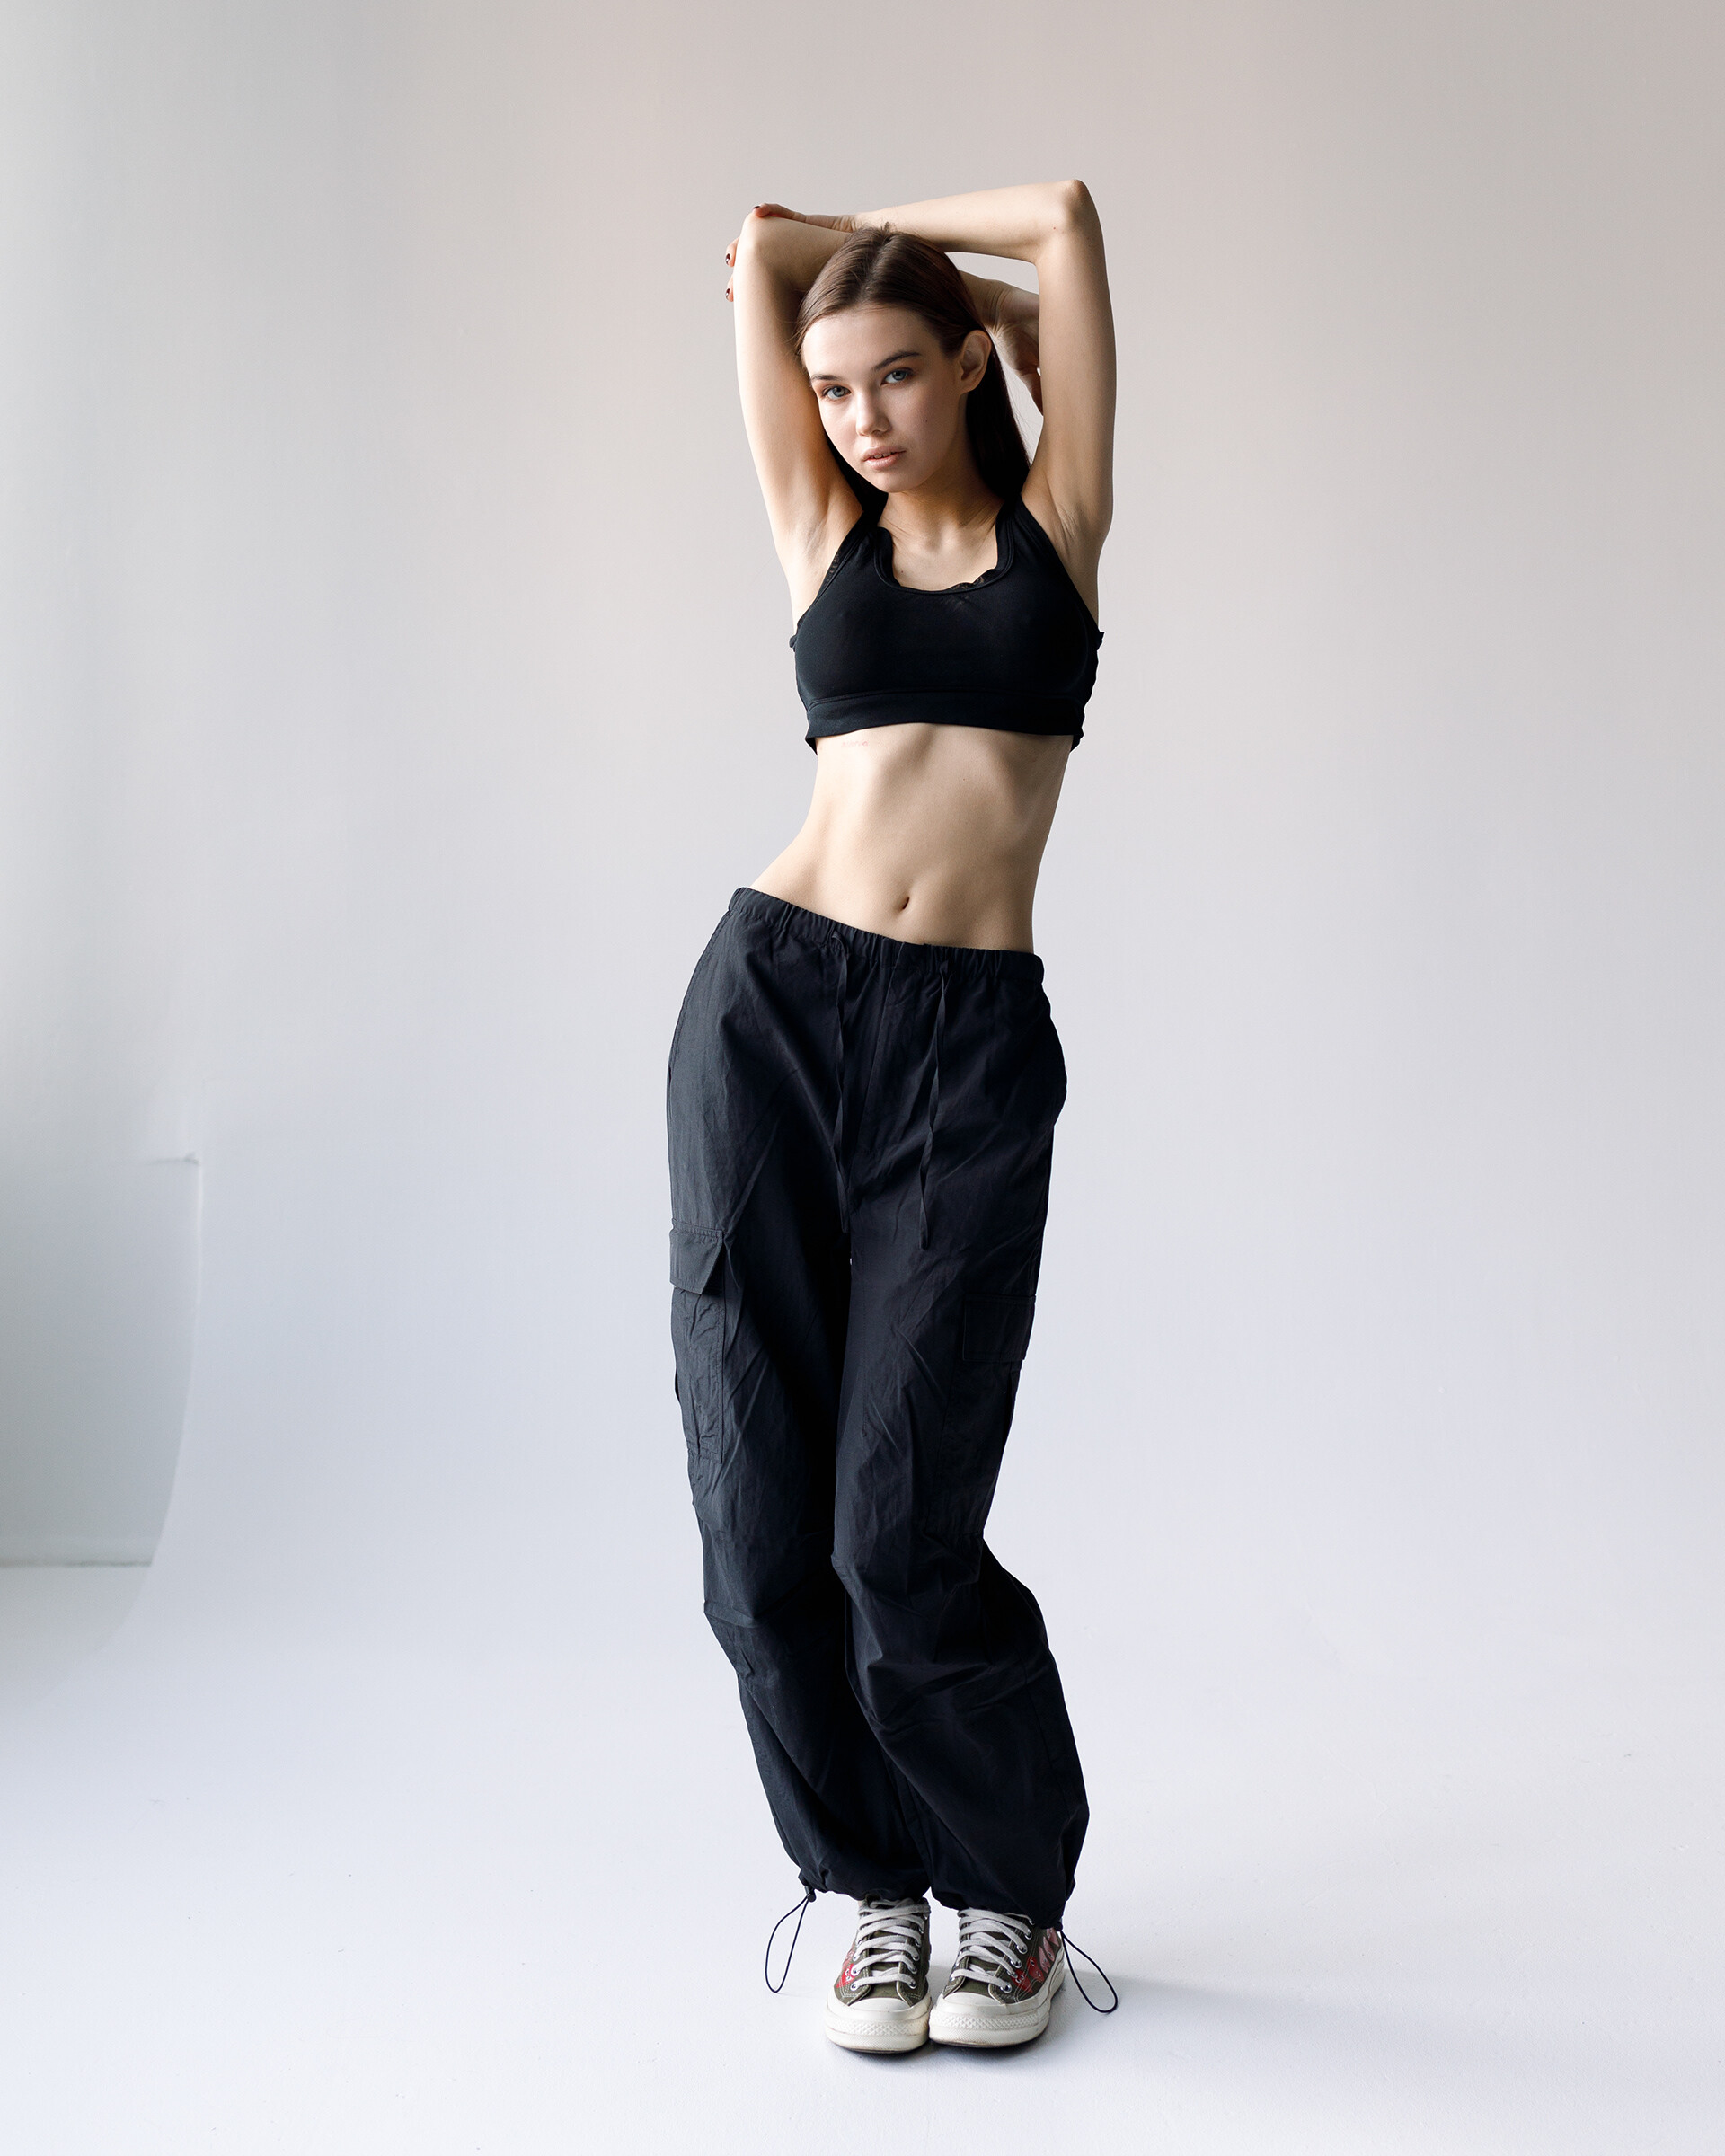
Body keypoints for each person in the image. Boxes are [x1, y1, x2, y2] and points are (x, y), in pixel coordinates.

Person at [667, 182, 1115, 2054]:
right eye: (834, 386)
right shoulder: (816, 535)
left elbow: (1067, 221)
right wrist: (863, 270)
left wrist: (990, 291)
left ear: (968, 372)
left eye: (899, 375)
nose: (857, 416)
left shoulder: (1059, 530)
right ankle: (869, 1891)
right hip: (772, 1011)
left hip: (967, 1050)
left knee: (897, 1523)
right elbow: (762, 246)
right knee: (756, 1514)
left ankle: (1005, 1897)